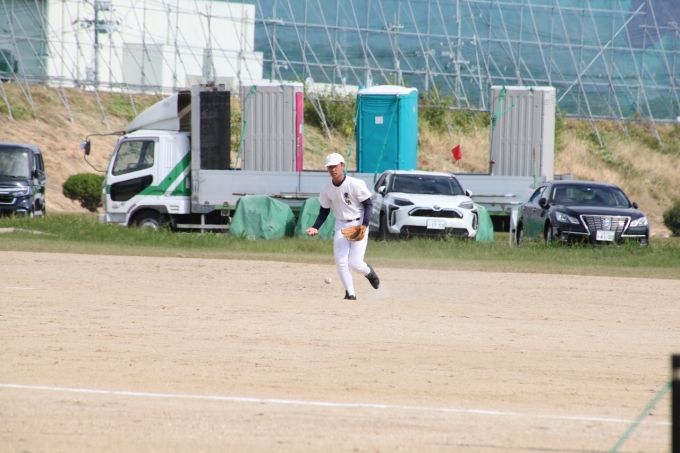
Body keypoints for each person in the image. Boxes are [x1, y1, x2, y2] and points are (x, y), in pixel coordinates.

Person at [306, 153, 380, 300]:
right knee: (341, 261)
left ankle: (369, 272)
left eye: (335, 166)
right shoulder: (326, 188)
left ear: (343, 166)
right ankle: (350, 293)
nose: (333, 169)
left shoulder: (354, 184)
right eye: (330, 167)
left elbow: (368, 205)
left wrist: (364, 225)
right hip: (341, 224)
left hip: (358, 223)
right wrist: (315, 227)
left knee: (355, 264)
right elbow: (324, 210)